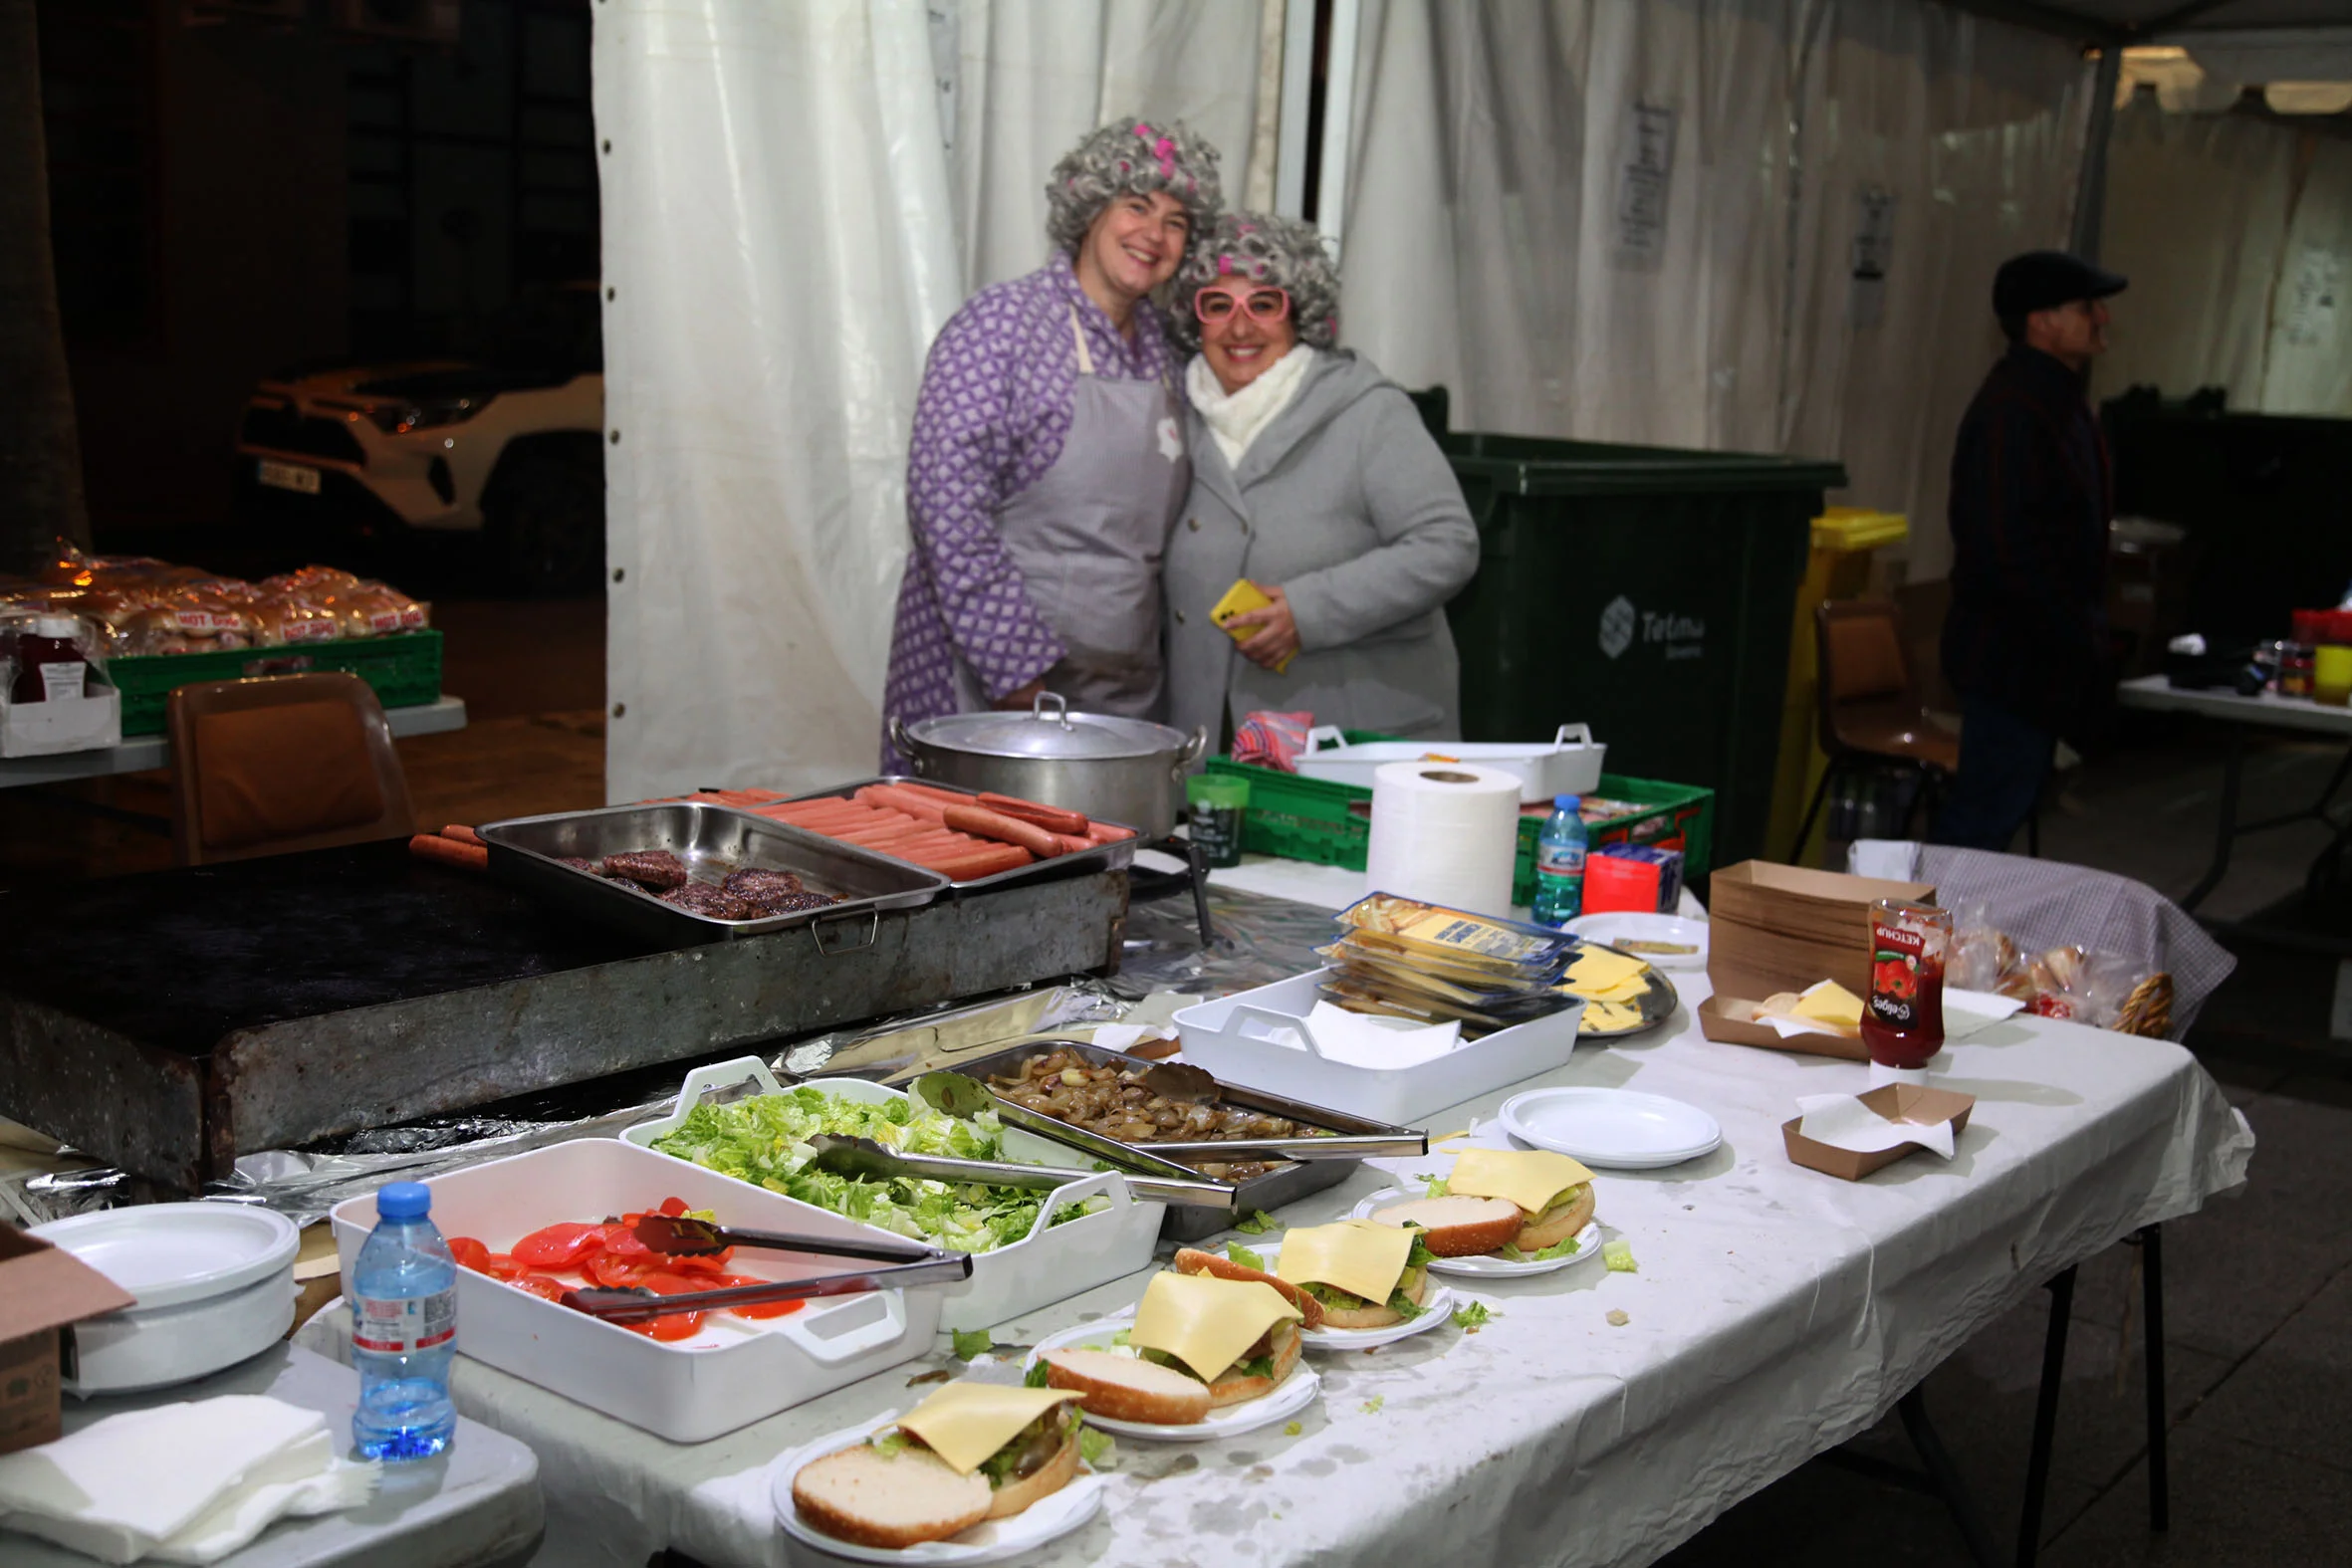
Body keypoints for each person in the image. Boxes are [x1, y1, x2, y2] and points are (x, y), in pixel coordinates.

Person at [881, 118, 1222, 766]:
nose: (1154, 234)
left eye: (1176, 221)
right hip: (994, 690)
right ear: (1089, 209)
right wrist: (1016, 676)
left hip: (1126, 695)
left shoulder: (1168, 354)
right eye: (1137, 205)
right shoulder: (1000, 327)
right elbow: (947, 509)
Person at [1161, 213, 1479, 750]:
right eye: (1219, 305)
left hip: (1354, 750)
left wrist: (1308, 612)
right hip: (1219, 759)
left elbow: (1448, 545)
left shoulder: (1368, 411)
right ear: (1197, 323)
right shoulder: (1180, 419)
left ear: (1299, 316)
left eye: (1263, 304)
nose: (1240, 328)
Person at [1933, 250, 2127, 851]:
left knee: (2002, 805)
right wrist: (2064, 628)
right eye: (2085, 307)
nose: (2102, 319)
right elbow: (2002, 546)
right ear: (2040, 321)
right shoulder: (2014, 411)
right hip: (2013, 655)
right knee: (1983, 818)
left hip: (2040, 655)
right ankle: (1920, 939)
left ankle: (1946, 936)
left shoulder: (2054, 401)